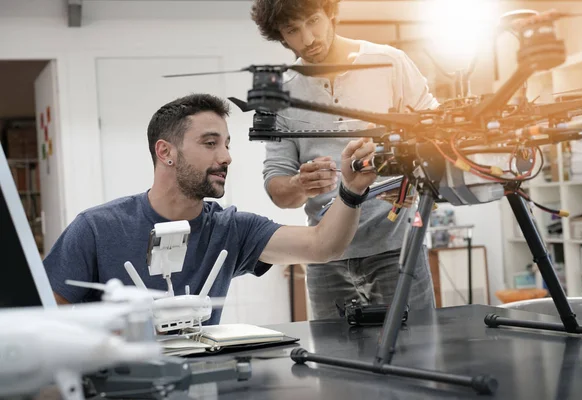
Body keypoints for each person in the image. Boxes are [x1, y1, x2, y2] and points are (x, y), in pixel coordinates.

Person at [43, 93, 377, 325]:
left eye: (227, 144)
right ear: (166, 152)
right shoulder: (96, 229)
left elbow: (323, 245)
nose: (227, 156)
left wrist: (352, 190)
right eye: (210, 143)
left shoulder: (230, 229)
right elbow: (44, 320)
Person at [251, 0, 438, 319]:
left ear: (331, 13)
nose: (308, 38)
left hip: (395, 247)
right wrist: (300, 184)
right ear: (281, 37)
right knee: (336, 361)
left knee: (416, 352)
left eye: (313, 21)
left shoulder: (389, 63)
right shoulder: (280, 98)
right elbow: (279, 190)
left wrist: (407, 149)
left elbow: (438, 135)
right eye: (293, 30)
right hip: (325, 256)